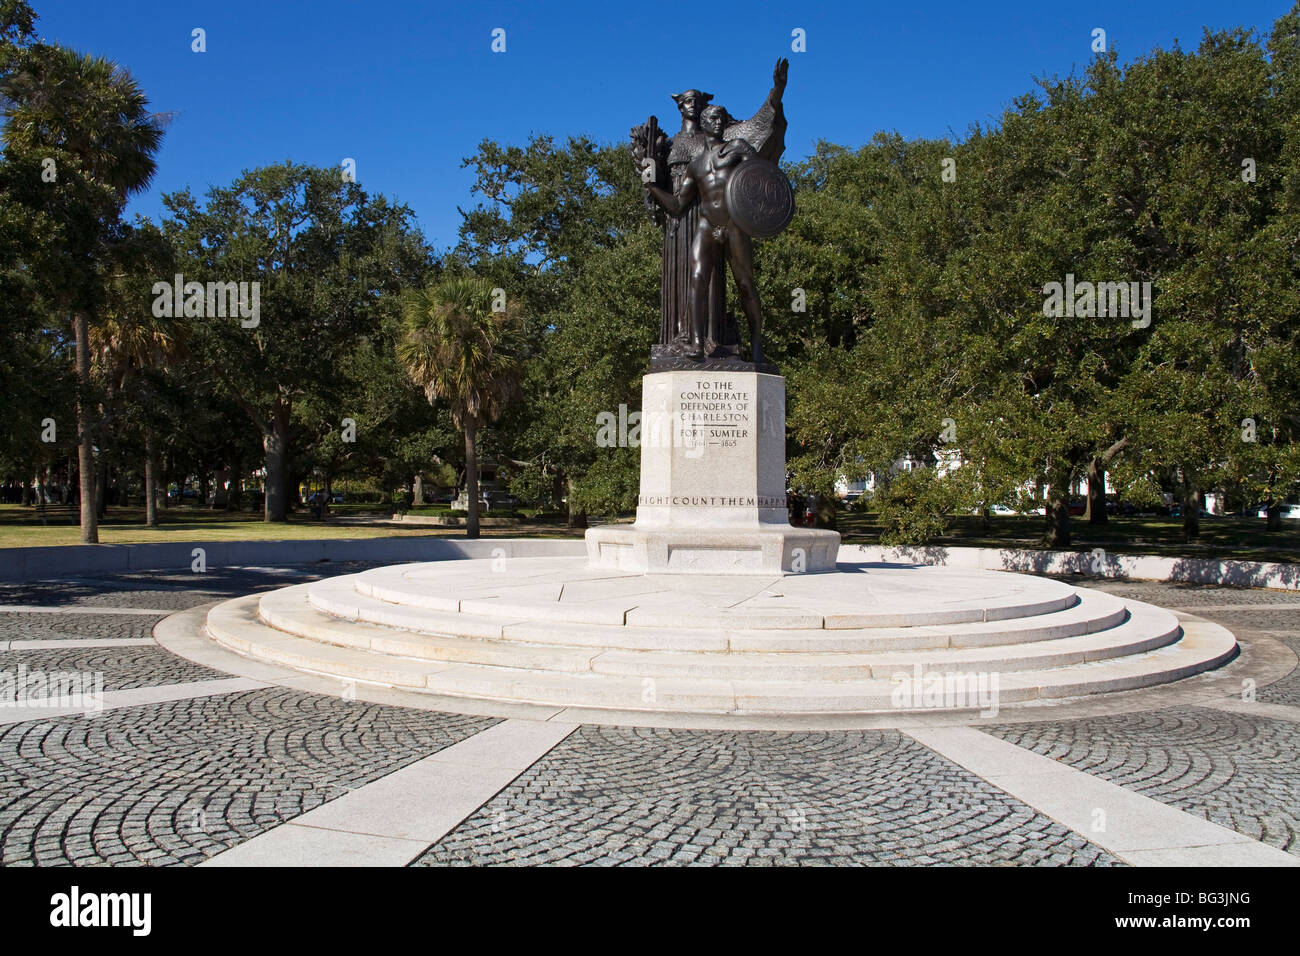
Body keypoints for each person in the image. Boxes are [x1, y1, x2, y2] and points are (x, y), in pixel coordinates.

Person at [643, 104, 765, 363]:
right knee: (697, 279)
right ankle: (697, 343)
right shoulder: (696, 165)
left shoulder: (738, 148)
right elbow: (678, 205)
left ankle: (756, 343)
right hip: (707, 224)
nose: (718, 122)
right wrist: (652, 186)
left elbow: (759, 178)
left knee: (745, 284)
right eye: (712, 118)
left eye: (721, 117)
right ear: (704, 123)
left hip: (733, 223)